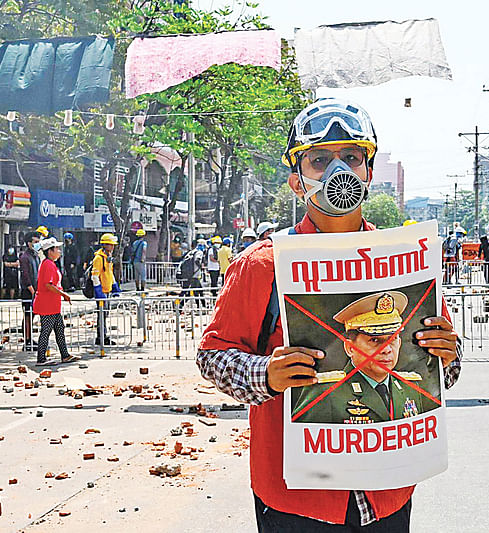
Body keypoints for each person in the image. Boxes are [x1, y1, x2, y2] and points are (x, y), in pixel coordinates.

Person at [195, 97, 460, 531]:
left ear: (368, 172)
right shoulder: (263, 264)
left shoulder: (405, 259)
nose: (339, 173)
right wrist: (266, 374)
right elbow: (212, 356)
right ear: (298, 181)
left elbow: (439, 371)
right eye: (319, 161)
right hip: (297, 499)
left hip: (388, 491)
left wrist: (448, 354)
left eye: (351, 158)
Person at [292, 292, 430, 423]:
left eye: (392, 340)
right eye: (374, 340)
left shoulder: (411, 386)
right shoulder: (326, 393)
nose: (387, 350)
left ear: (399, 343)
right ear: (350, 348)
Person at [33, 238, 80, 366]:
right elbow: (48, 284)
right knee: (46, 330)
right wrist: (63, 294)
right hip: (47, 304)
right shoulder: (48, 264)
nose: (59, 251)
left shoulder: (50, 264)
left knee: (60, 328)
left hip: (53, 304)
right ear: (50, 251)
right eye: (57, 249)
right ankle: (41, 359)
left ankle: (65, 355)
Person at [91, 233, 121, 345]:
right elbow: (94, 276)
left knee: (105, 314)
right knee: (102, 315)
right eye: (111, 245)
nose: (113, 247)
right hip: (102, 292)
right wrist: (98, 292)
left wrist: (114, 286)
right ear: (105, 245)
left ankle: (103, 336)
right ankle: (101, 337)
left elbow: (109, 272)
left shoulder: (107, 258)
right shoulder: (99, 258)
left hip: (107, 291)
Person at [19, 232, 41, 351]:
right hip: (28, 292)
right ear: (29, 243)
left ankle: (30, 338)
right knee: (27, 315)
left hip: (36, 290)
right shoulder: (24, 257)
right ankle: (27, 340)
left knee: (32, 315)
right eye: (35, 242)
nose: (37, 244)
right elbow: (25, 276)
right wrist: (32, 291)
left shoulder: (36, 256)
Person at [178, 239, 207, 309]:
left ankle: (203, 305)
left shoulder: (192, 252)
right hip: (195, 275)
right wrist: (201, 267)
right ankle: (180, 304)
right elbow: (197, 260)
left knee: (199, 290)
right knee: (193, 292)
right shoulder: (199, 252)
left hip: (190, 274)